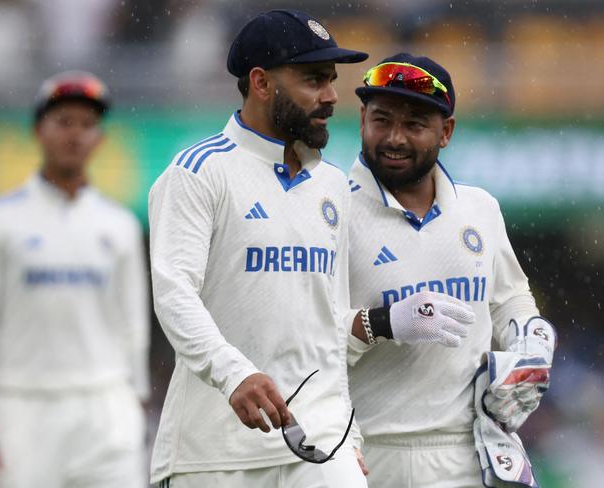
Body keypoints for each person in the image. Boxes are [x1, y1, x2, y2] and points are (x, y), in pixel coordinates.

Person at [148, 12, 475, 488]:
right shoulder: (198, 172)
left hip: (320, 443)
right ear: (260, 82)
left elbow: (327, 327)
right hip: (214, 454)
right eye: (313, 80)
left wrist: (351, 431)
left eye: (331, 80)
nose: (330, 96)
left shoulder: (330, 186)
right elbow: (174, 294)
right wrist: (234, 373)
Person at [345, 53, 557, 487]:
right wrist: (380, 323)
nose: (395, 138)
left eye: (415, 125)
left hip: (473, 449)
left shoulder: (480, 209)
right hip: (368, 452)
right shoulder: (329, 211)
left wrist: (529, 331)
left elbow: (508, 297)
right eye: (381, 120)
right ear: (362, 117)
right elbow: (304, 341)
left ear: (447, 132)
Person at [0, 71, 150, 488]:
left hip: (105, 407)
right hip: (20, 409)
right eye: (64, 122)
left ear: (99, 138)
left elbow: (133, 328)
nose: (75, 135)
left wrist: (135, 408)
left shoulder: (119, 226)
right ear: (38, 131)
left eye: (87, 124)